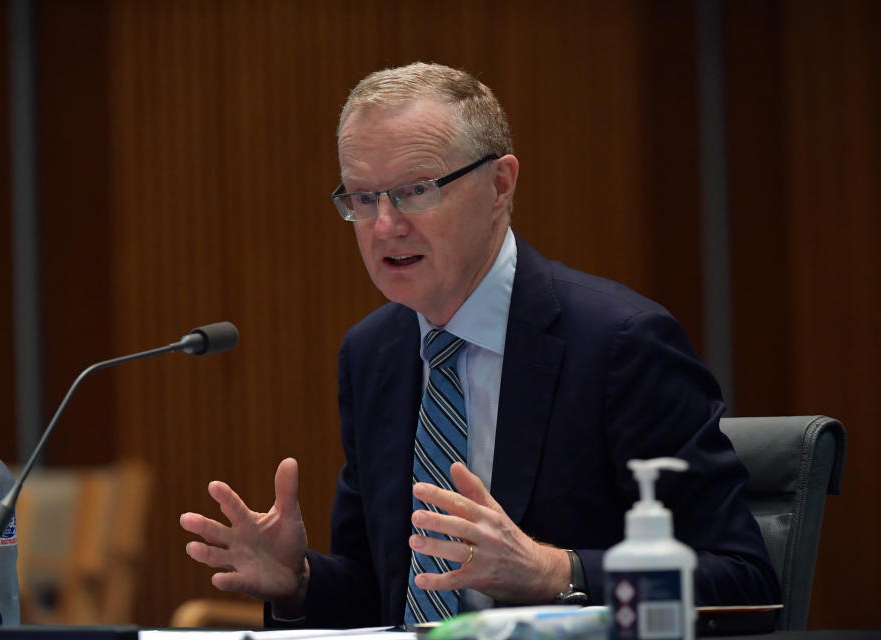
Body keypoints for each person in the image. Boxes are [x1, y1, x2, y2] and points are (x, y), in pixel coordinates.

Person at [179, 62, 779, 627]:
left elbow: (746, 584)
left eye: (415, 190)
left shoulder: (621, 343)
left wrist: (555, 572)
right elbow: (384, 594)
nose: (385, 225)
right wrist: (299, 580)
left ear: (499, 183)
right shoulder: (373, 354)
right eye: (363, 199)